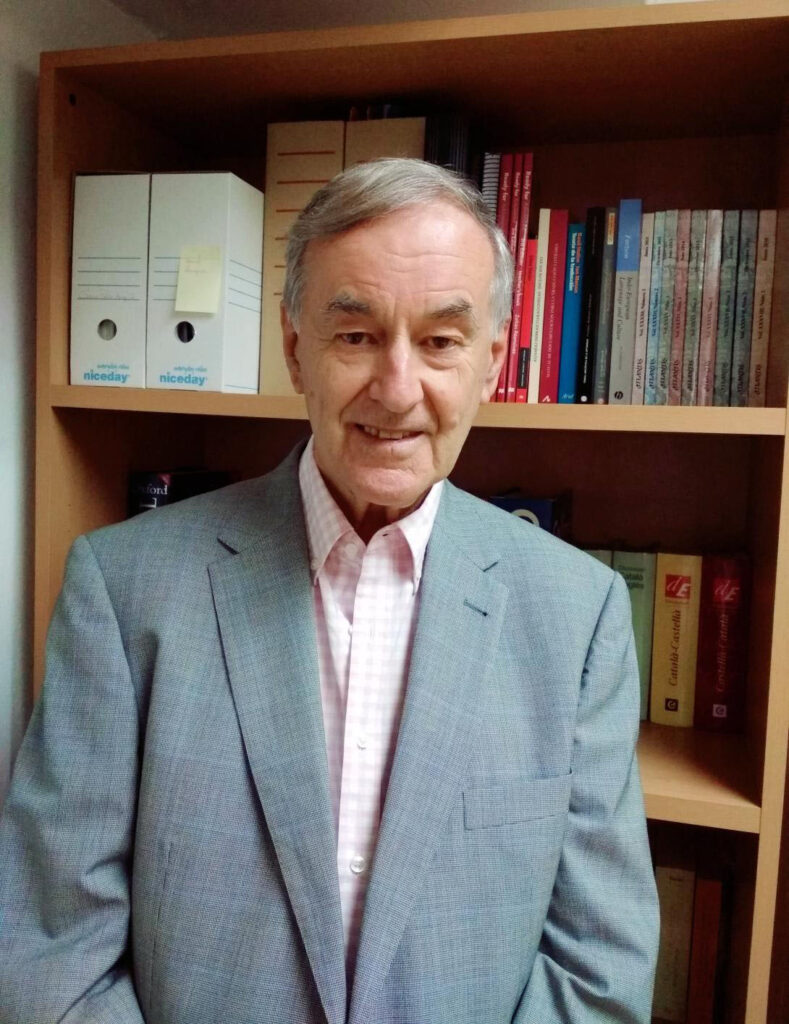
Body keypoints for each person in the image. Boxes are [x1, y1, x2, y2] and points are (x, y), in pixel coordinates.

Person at [0, 158, 659, 1023]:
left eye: (440, 341)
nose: (396, 390)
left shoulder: (578, 614)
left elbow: (598, 967)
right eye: (354, 335)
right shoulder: (122, 591)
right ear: (294, 350)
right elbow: (54, 951)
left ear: (490, 362)